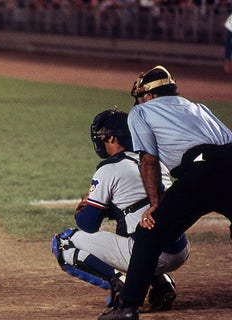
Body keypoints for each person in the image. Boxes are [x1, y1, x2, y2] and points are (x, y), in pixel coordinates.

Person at [98, 66, 232, 320]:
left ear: (148, 96)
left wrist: (155, 205)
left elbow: (148, 160)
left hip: (200, 172)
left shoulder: (141, 112)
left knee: (149, 234)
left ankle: (128, 307)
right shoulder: (199, 108)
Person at [52, 109, 189, 313]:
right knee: (127, 226)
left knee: (64, 242)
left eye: (102, 136)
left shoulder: (109, 169)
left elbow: (88, 224)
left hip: (153, 253)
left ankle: (121, 282)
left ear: (112, 137)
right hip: (180, 249)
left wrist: (82, 206)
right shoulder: (153, 160)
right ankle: (162, 285)